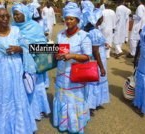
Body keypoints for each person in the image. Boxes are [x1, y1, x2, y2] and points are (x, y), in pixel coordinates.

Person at [0, 4, 37, 133]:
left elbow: (26, 48)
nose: (6, 18)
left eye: (7, 16)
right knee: (4, 100)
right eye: (1, 16)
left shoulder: (16, 31)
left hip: (17, 71)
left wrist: (20, 49)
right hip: (0, 74)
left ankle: (21, 128)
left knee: (19, 99)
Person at [54, 2, 92, 133]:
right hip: (61, 73)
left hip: (76, 74)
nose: (68, 21)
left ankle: (75, 125)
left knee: (73, 99)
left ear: (77, 20)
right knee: (62, 98)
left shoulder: (83, 36)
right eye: (67, 18)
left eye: (71, 19)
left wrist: (73, 56)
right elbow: (59, 51)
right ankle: (63, 123)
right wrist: (57, 55)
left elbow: (88, 56)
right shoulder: (60, 34)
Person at [11, 4, 51, 120]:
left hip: (35, 63)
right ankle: (25, 111)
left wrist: (26, 49)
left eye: (17, 14)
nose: (15, 17)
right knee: (23, 86)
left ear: (25, 14)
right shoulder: (12, 27)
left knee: (36, 86)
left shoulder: (35, 27)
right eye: (14, 14)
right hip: (19, 63)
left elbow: (43, 47)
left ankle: (39, 110)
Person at [84, 8, 110, 115]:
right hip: (98, 60)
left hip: (98, 57)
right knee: (96, 79)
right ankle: (90, 105)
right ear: (99, 19)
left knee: (96, 81)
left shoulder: (92, 30)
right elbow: (95, 51)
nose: (103, 18)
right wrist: (101, 66)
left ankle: (95, 102)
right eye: (102, 17)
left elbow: (96, 44)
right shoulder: (95, 32)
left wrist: (104, 44)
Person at [27, 2, 50, 89]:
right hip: (30, 49)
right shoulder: (26, 23)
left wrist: (42, 34)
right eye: (38, 9)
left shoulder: (43, 19)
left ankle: (44, 83)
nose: (40, 11)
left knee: (42, 64)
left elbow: (46, 30)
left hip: (41, 46)